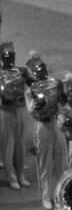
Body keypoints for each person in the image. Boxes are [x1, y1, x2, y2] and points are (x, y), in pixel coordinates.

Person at [23, 52, 62, 210]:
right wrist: (36, 105)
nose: (41, 72)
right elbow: (31, 110)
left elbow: (61, 101)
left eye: (42, 68)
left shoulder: (54, 83)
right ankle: (47, 196)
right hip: (42, 125)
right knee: (45, 163)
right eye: (37, 70)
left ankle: (60, 194)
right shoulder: (30, 90)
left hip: (55, 122)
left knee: (60, 160)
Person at [0, 40, 29, 190]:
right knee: (8, 145)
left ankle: (20, 174)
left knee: (20, 144)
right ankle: (11, 176)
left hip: (19, 110)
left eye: (11, 55)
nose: (9, 58)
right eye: (6, 56)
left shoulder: (21, 71)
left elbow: (35, 83)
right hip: (6, 112)